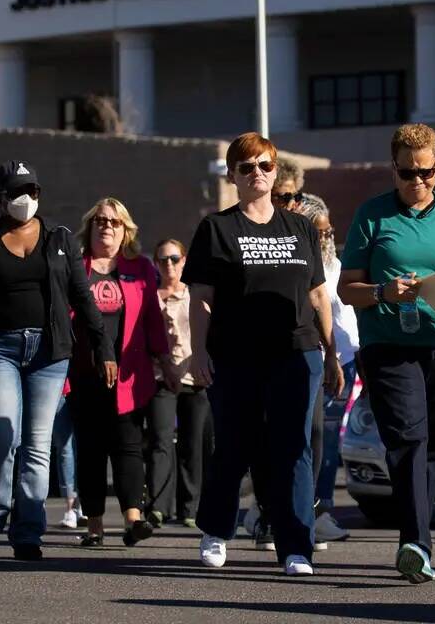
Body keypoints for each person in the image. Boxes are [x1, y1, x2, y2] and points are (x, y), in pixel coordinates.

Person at [186, 132, 344, 577]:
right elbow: (200, 299)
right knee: (235, 446)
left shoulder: (299, 228)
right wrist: (198, 352)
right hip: (235, 355)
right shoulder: (216, 229)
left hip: (296, 351)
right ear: (234, 175)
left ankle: (296, 546)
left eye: (265, 166)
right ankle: (216, 529)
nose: (257, 173)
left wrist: (332, 354)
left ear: (276, 172)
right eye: (247, 167)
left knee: (295, 449)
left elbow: (318, 296)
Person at [338, 123, 435, 584]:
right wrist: (384, 291)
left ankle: (419, 544)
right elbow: (348, 290)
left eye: (426, 172)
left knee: (429, 446)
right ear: (394, 169)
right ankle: (413, 542)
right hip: (389, 346)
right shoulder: (372, 215)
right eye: (407, 173)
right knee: (406, 438)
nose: (417, 182)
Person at [0, 161, 109, 561]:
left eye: (33, 192)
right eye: (17, 192)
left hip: (49, 352)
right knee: (4, 435)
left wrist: (102, 346)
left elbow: (82, 295)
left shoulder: (60, 239)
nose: (26, 200)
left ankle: (27, 533)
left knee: (38, 446)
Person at [70, 197, 169, 548]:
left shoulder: (140, 266)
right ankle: (95, 526)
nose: (106, 226)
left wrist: (165, 358)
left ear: (126, 229)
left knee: (128, 446)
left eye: (114, 221)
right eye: (100, 220)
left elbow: (153, 319)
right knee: (91, 450)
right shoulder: (75, 265)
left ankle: (133, 519)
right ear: (90, 226)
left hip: (129, 374)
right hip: (84, 373)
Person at [297, 197, 359, 545]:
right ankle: (299, 509)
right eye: (320, 231)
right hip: (314, 361)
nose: (326, 236)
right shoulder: (302, 268)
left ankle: (321, 510)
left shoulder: (337, 264)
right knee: (308, 440)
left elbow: (346, 317)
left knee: (328, 443)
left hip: (344, 362)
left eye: (330, 230)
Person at [145, 238, 211, 530]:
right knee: (160, 441)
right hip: (160, 378)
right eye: (162, 260)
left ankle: (190, 508)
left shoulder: (194, 294)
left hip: (194, 378)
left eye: (174, 258)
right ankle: (158, 507)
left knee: (192, 444)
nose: (168, 264)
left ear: (184, 260)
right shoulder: (150, 297)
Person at [52, 382, 82, 529]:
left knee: (84, 446)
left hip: (83, 382)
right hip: (60, 386)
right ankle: (71, 508)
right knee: (64, 447)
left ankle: (82, 504)